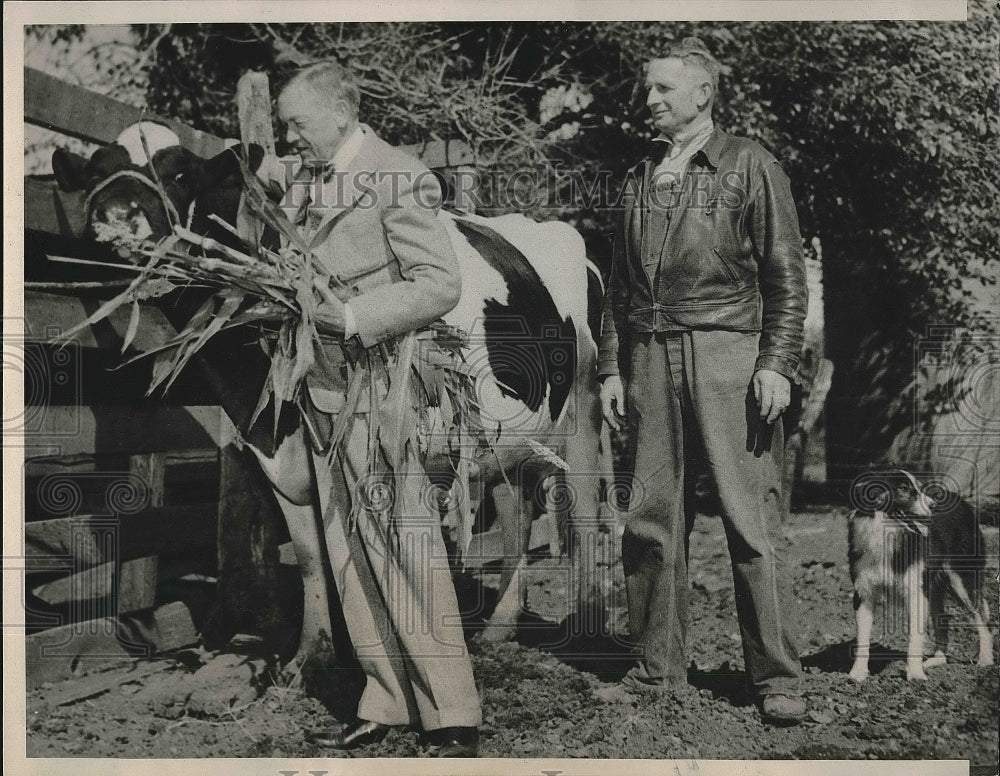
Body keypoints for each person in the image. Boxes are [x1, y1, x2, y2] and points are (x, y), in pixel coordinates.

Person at [265, 61, 482, 756]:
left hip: (382, 388)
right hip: (323, 389)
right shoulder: (306, 183)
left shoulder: (398, 174)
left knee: (406, 540)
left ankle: (452, 712)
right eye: (284, 126)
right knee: (347, 547)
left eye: (297, 124)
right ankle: (386, 697)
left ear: (340, 112)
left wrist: (355, 317)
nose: (288, 138)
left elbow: (439, 283)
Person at [598, 37, 809, 725]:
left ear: (702, 93)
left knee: (750, 520)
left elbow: (785, 275)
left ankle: (777, 677)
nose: (649, 99)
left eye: (663, 88)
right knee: (650, 520)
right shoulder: (638, 176)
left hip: (730, 355)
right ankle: (656, 669)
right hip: (647, 358)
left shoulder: (749, 164)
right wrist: (610, 367)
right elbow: (619, 287)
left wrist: (776, 362)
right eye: (648, 87)